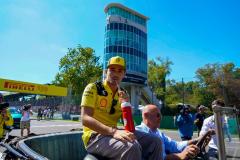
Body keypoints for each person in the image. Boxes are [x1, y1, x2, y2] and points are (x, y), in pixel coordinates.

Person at [81, 56, 162, 160]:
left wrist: (126, 105)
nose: (116, 74)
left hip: (113, 132)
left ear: (124, 74)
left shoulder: (123, 93)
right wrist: (114, 132)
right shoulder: (94, 87)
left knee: (156, 142)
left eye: (120, 71)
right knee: (132, 147)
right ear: (106, 72)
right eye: (112, 70)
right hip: (94, 136)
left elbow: (130, 128)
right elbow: (85, 119)